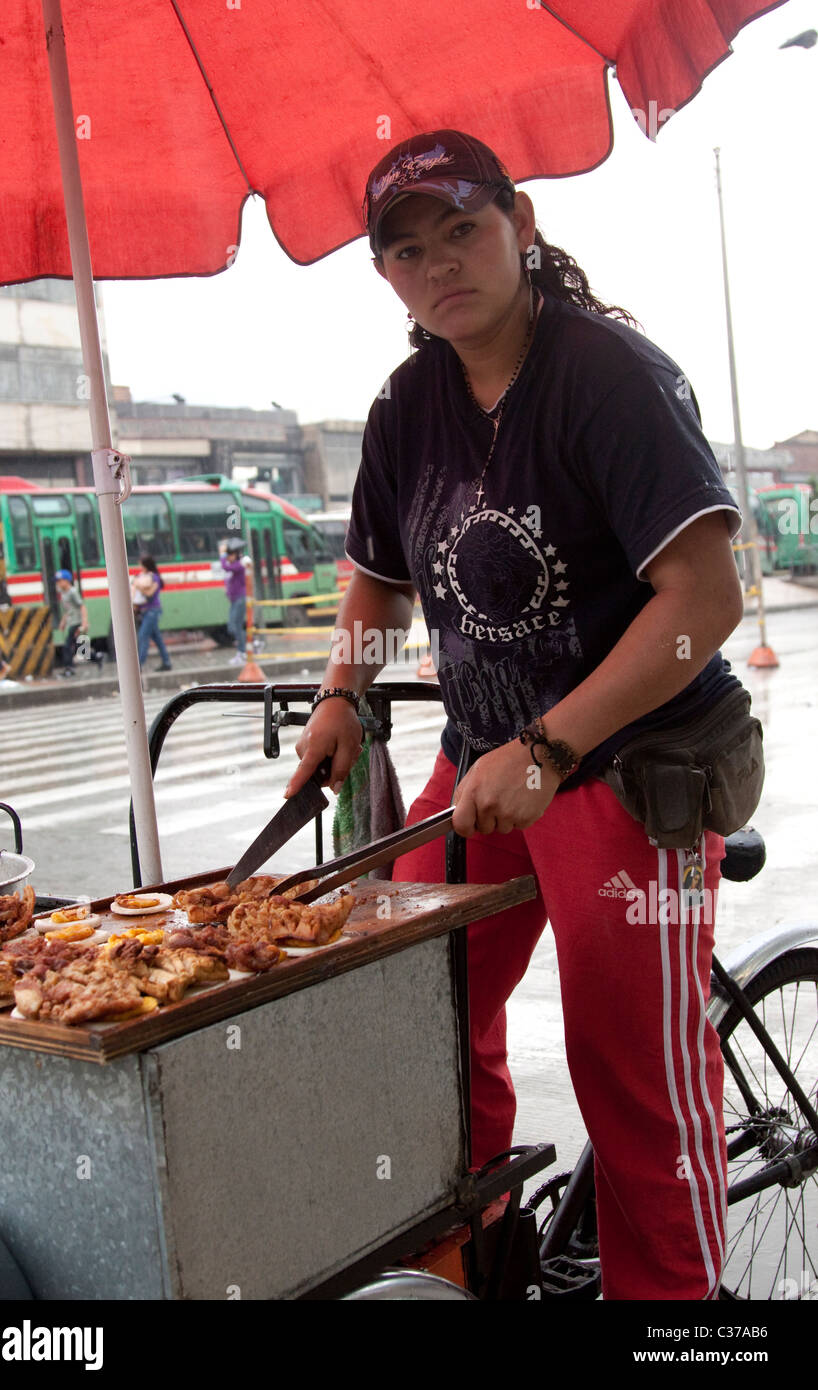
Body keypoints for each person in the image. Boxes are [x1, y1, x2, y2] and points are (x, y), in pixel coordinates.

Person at [286, 131, 749, 1300]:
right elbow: (378, 578)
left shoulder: (609, 376)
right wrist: (344, 689)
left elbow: (703, 601)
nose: (440, 263)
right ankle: (472, 1258)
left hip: (628, 766)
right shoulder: (406, 405)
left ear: (518, 224)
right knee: (421, 1019)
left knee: (629, 1069)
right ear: (385, 276)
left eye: (461, 228)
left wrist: (553, 744)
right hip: (482, 759)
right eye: (406, 249)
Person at [55, 569, 103, 677]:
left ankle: (69, 668)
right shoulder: (63, 593)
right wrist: (63, 621)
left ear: (66, 581)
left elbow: (82, 606)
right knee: (81, 648)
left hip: (77, 622)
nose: (58, 583)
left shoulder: (72, 592)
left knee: (68, 646)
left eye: (60, 580)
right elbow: (68, 610)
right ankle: (97, 657)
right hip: (71, 622)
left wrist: (84, 622)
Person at [132, 555, 172, 671]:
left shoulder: (154, 578)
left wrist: (137, 585)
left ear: (146, 565)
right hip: (145, 611)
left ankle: (138, 665)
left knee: (143, 636)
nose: (140, 567)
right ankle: (167, 662)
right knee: (157, 639)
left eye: (141, 565)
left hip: (153, 611)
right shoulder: (142, 577)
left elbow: (149, 593)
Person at [219, 536, 250, 665]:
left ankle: (243, 651)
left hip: (240, 599)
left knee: (235, 627)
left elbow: (225, 567)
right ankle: (246, 648)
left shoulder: (239, 565)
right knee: (233, 627)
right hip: (234, 600)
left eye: (230, 555)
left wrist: (222, 554)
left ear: (236, 555)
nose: (228, 558)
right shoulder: (235, 565)